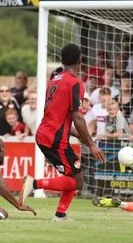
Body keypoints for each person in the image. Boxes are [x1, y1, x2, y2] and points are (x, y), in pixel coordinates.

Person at [19, 43, 105, 221]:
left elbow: (59, 116)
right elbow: (77, 117)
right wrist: (91, 144)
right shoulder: (75, 83)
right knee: (78, 181)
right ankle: (34, 184)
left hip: (47, 134)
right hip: (54, 139)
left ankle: (60, 215)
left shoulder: (54, 80)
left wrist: (79, 136)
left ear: (62, 60)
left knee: (73, 176)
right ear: (80, 60)